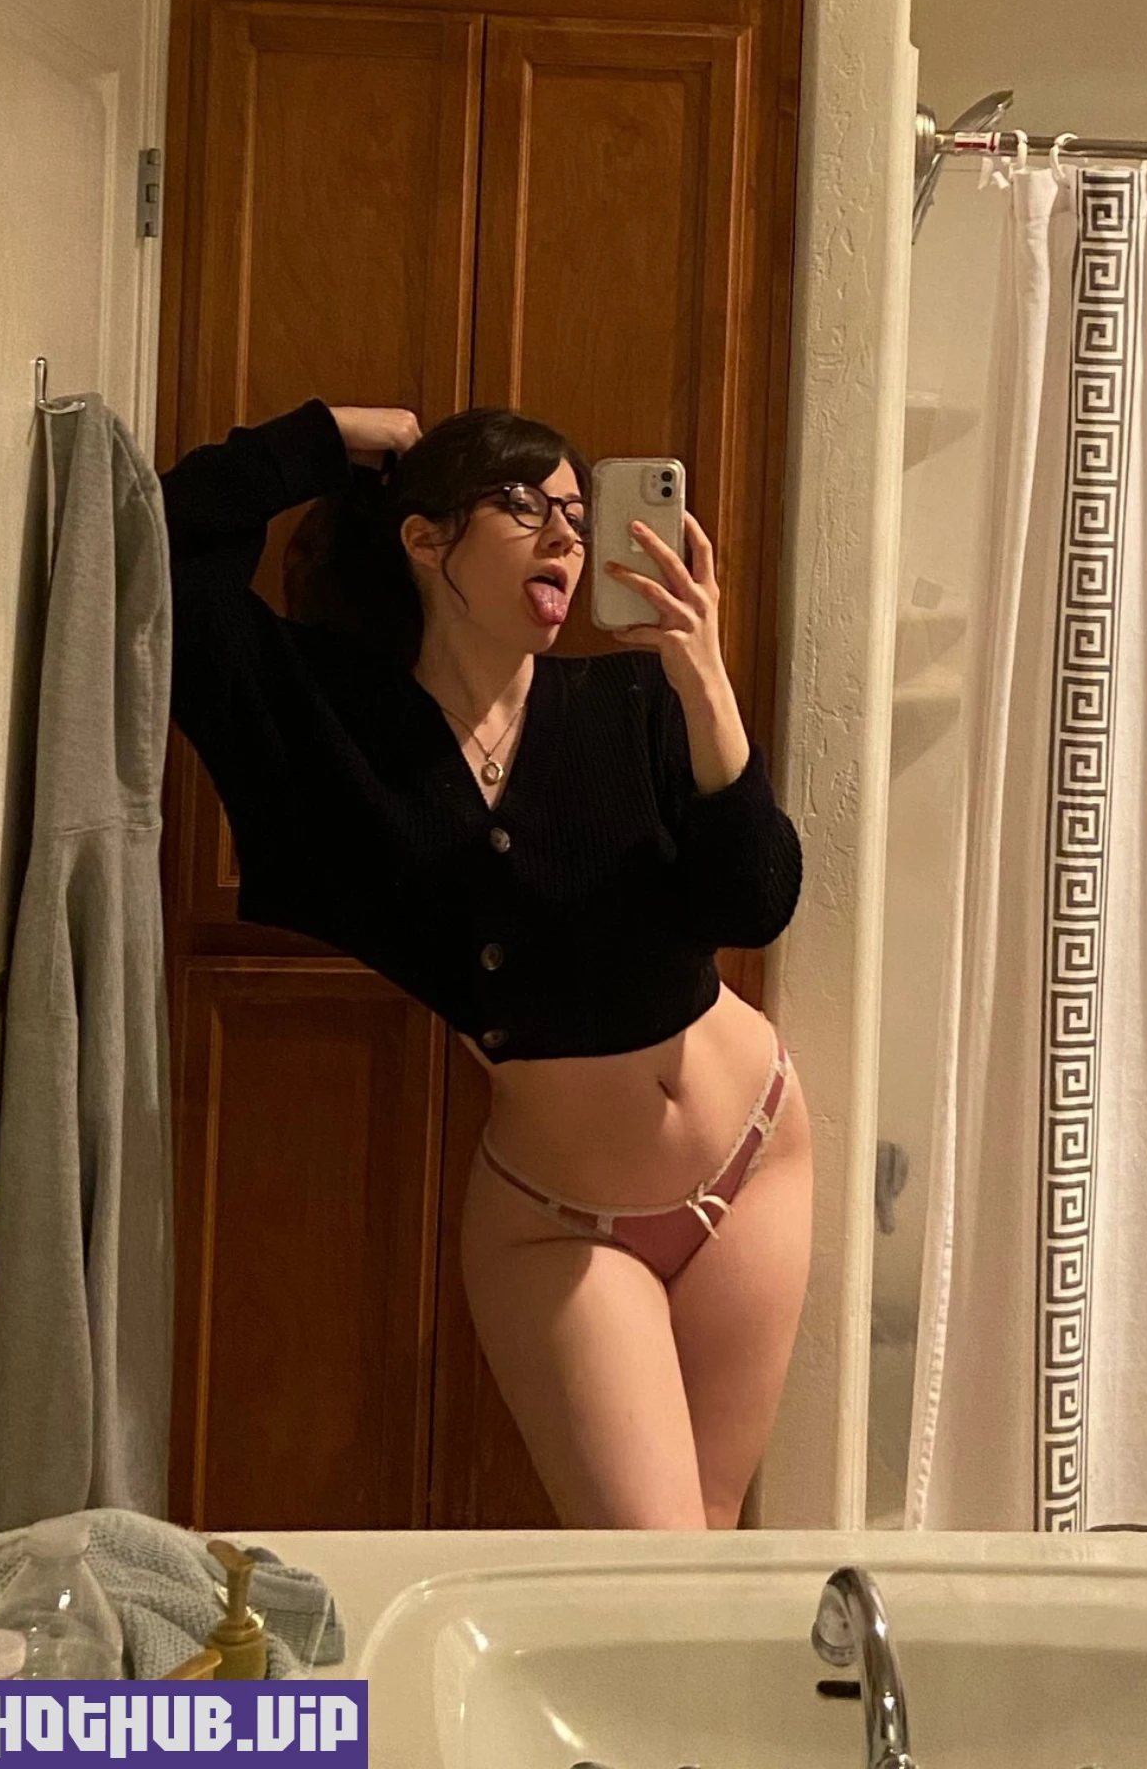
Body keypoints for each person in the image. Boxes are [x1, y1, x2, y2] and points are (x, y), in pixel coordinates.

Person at [160, 397, 809, 1528]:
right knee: (654, 1558)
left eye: (578, 513)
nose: (567, 534)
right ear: (425, 538)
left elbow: (756, 903)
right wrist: (331, 435)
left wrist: (703, 674)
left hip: (760, 1152)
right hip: (559, 1219)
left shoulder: (633, 700)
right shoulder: (327, 724)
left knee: (710, 1543)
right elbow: (163, 548)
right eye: (525, 505)